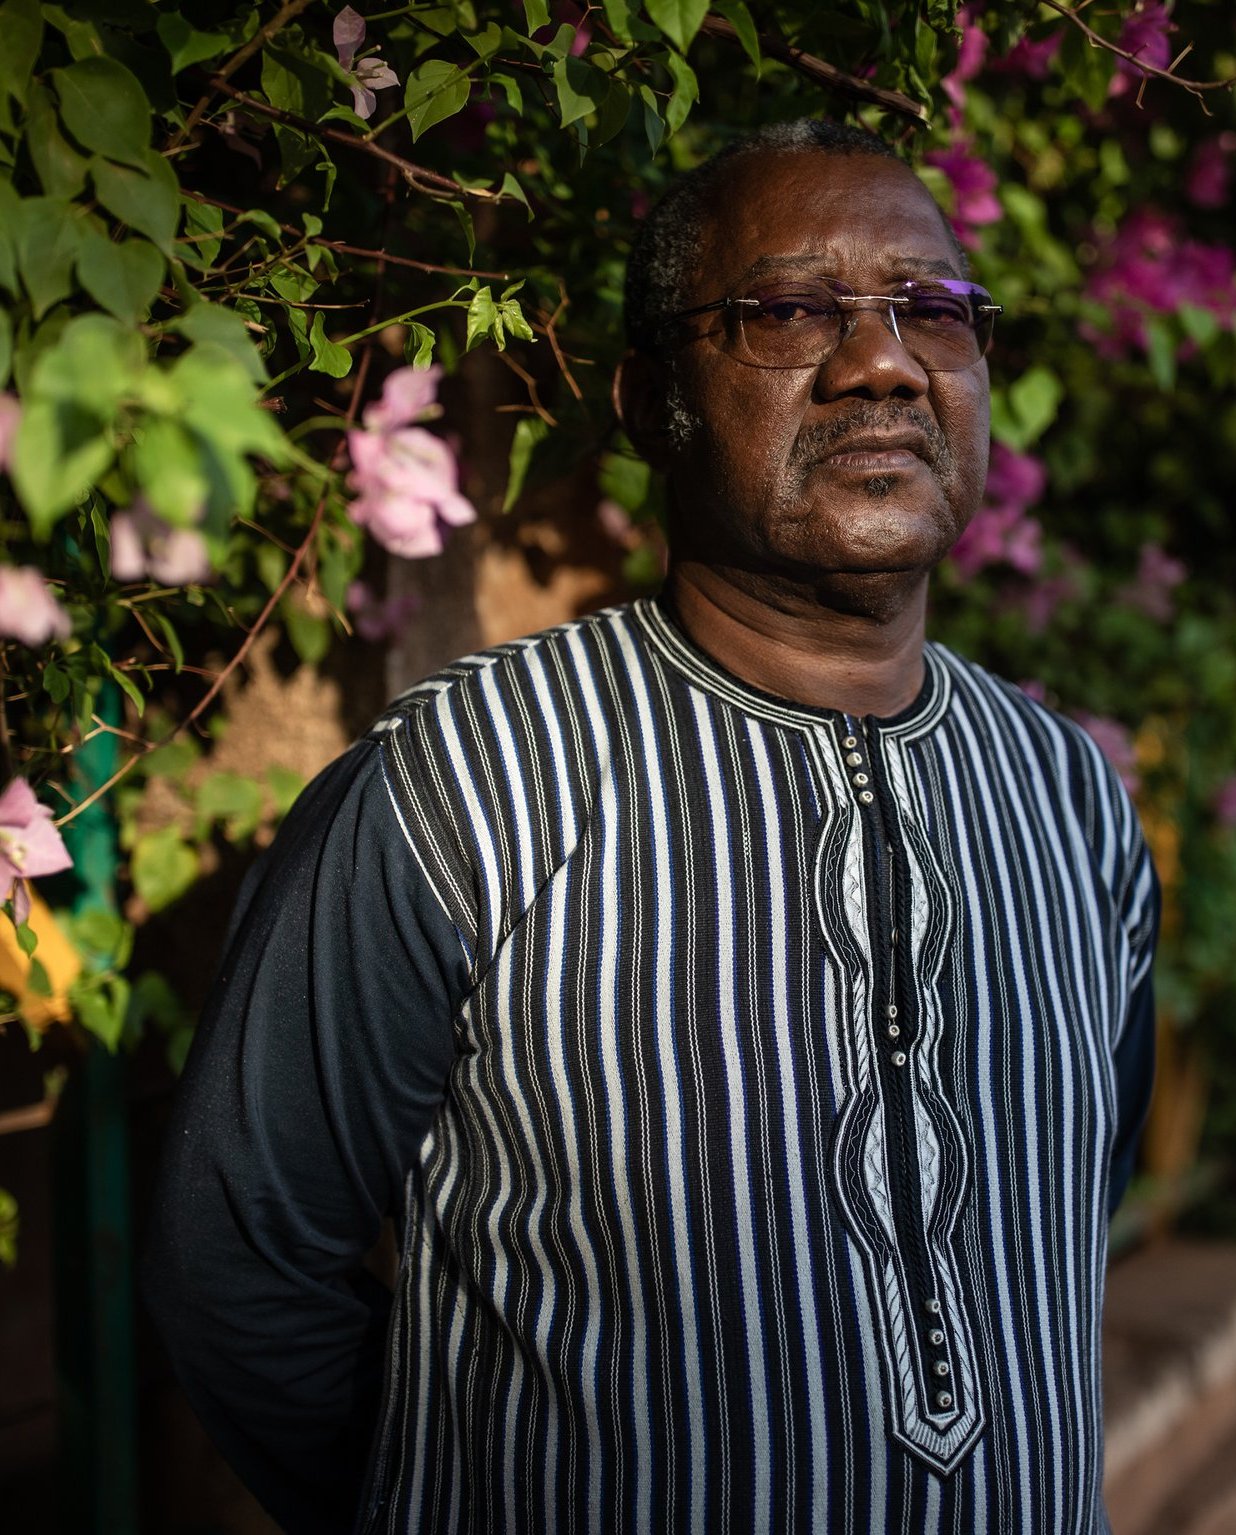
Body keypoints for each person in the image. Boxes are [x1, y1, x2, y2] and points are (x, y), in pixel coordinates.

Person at [146, 119, 1159, 1535]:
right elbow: (237, 1259)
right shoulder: (469, 786)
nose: (884, 362)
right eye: (792, 310)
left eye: (933, 309)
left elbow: (1064, 1212)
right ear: (647, 398)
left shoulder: (1068, 802)